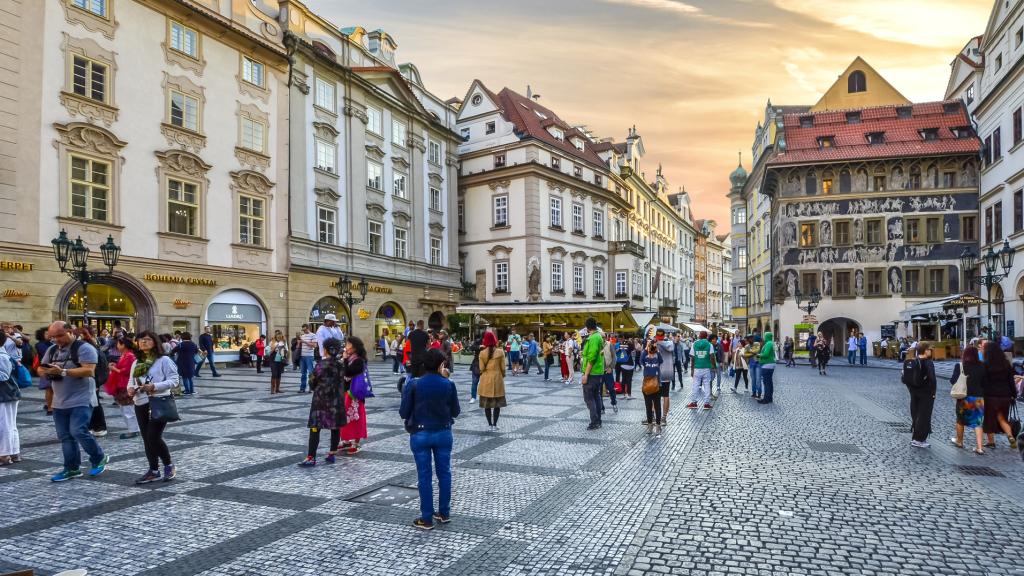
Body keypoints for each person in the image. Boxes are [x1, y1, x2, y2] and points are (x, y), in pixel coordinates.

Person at [400, 348, 461, 530]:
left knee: (424, 475)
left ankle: (426, 518)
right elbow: (456, 411)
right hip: (443, 433)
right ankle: (444, 513)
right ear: (441, 364)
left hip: (420, 434)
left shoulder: (414, 384)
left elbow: (403, 412)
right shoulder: (448, 384)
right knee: (445, 473)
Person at [39, 321, 108, 482]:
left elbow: (88, 370)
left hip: (82, 398)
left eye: (60, 335)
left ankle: (98, 457)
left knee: (78, 431)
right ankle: (71, 468)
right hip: (59, 400)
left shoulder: (84, 348)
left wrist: (62, 371)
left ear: (70, 331)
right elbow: (40, 368)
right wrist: (47, 372)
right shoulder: (52, 350)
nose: (56, 340)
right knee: (65, 436)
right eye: (53, 337)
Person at [127, 331, 179, 483]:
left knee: (153, 437)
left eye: (147, 339)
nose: (143, 342)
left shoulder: (163, 360)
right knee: (146, 438)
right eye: (140, 340)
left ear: (155, 342)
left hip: (159, 401)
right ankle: (153, 470)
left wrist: (154, 386)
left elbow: (174, 380)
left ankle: (168, 464)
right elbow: (131, 380)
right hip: (141, 401)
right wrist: (130, 389)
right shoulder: (138, 362)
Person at [298, 337, 346, 466]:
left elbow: (312, 381)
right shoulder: (341, 365)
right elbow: (345, 382)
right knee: (335, 427)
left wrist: (315, 386)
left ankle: (311, 457)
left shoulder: (321, 365)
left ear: (325, 350)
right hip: (336, 401)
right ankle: (332, 454)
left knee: (315, 427)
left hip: (320, 401)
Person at [949, 345, 986, 454]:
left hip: (964, 398)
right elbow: (986, 382)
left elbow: (952, 381)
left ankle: (959, 441)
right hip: (978, 398)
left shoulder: (960, 366)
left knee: (960, 420)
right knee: (978, 422)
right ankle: (979, 447)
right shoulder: (983, 366)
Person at [981, 340, 1018, 449]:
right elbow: (1011, 380)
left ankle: (991, 442)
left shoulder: (986, 364)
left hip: (990, 396)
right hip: (1005, 395)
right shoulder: (1006, 364)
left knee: (989, 419)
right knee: (1002, 418)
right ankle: (1010, 436)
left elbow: (984, 382)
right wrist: (1014, 394)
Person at [901, 341, 936, 448]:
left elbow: (904, 378)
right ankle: (919, 439)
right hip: (926, 393)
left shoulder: (912, 361)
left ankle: (915, 437)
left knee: (916, 414)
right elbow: (932, 379)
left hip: (913, 392)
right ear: (925, 351)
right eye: (930, 349)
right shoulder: (928, 362)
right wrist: (933, 392)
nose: (931, 351)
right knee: (924, 415)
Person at [76, 326, 109, 438]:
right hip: (84, 381)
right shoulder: (81, 346)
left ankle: (99, 426)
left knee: (94, 403)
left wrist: (96, 383)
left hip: (92, 380)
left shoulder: (89, 347)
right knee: (89, 403)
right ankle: (90, 426)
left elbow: (97, 367)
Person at [339, 336, 369, 455]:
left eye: (348, 344)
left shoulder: (359, 360)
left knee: (356, 417)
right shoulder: (350, 358)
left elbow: (348, 372)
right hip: (346, 392)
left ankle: (356, 442)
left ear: (354, 348)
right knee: (345, 417)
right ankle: (346, 440)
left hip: (355, 394)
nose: (346, 346)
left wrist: (345, 360)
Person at [106, 336, 140, 439]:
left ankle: (134, 429)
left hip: (125, 385)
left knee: (127, 408)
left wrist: (114, 368)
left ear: (123, 345)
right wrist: (115, 366)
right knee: (125, 408)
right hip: (122, 384)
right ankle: (133, 428)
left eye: (118, 344)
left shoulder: (129, 356)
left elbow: (127, 371)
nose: (117, 346)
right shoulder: (125, 355)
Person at [477, 331, 506, 431]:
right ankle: (495, 425)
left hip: (486, 379)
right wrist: (502, 375)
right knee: (497, 404)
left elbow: (481, 368)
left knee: (487, 404)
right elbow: (503, 368)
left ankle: (489, 425)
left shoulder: (482, 353)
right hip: (497, 378)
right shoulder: (500, 352)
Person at [580, 319, 605, 431]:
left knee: (589, 398)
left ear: (587, 327)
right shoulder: (597, 337)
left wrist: (586, 374)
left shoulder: (594, 338)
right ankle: (598, 420)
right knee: (596, 397)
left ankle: (595, 421)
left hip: (592, 373)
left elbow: (592, 357)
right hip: (597, 372)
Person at [0, 332, 21, 466]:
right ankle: (13, 452)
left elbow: (4, 376)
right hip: (7, 394)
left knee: (5, 425)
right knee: (8, 424)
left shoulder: (2, 356)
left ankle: (4, 454)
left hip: (5, 394)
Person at [687, 331, 715, 411]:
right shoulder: (709, 345)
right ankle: (706, 403)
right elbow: (712, 356)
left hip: (697, 368)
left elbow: (692, 357)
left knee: (695, 385)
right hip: (706, 368)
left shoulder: (694, 344)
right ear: (706, 337)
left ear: (699, 336)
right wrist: (713, 366)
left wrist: (692, 369)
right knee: (707, 385)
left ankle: (694, 403)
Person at [640, 342, 663, 432]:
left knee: (653, 406)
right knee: (653, 406)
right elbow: (641, 361)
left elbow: (661, 360)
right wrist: (648, 349)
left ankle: (654, 425)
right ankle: (653, 425)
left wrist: (652, 349)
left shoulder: (653, 358)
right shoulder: (649, 359)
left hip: (652, 385)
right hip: (652, 385)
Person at [656, 333, 675, 421]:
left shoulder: (655, 344)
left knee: (654, 396)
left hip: (657, 373)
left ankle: (654, 416)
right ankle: (664, 417)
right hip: (667, 372)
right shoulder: (670, 344)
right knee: (666, 395)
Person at [175, 332, 198, 396]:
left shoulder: (181, 344)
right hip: (191, 362)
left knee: (184, 377)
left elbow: (173, 351)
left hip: (182, 362)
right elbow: (196, 351)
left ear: (182, 337)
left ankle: (187, 391)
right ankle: (192, 390)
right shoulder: (193, 344)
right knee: (190, 377)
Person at [757, 332, 777, 405]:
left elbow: (766, 354)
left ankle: (766, 399)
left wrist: (758, 355)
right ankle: (770, 398)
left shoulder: (768, 343)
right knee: (769, 382)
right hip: (770, 364)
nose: (764, 337)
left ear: (767, 336)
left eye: (765, 336)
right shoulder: (771, 343)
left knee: (766, 383)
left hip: (767, 365)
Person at [298, 324, 317, 393]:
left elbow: (314, 345)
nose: (304, 331)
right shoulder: (302, 336)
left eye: (305, 330)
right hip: (302, 356)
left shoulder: (313, 335)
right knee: (303, 373)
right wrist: (298, 343)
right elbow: (298, 347)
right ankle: (302, 388)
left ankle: (311, 388)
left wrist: (304, 342)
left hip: (309, 356)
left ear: (308, 328)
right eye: (303, 330)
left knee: (311, 373)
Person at [468, 335, 483, 403]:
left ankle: (485, 397)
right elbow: (471, 347)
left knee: (486, 382)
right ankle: (473, 397)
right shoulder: (478, 341)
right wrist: (479, 346)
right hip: (477, 364)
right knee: (474, 382)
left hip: (487, 365)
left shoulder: (490, 342)